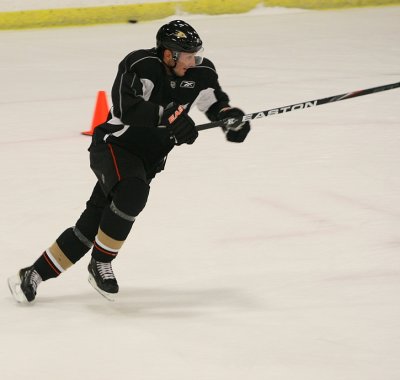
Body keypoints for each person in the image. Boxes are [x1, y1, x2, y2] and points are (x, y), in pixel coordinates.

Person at [8, 19, 250, 303]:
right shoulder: (141, 65)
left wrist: (230, 119)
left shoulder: (201, 72)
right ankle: (101, 262)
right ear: (168, 54)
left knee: (94, 223)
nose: (193, 60)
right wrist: (170, 116)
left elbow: (214, 103)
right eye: (187, 55)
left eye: (195, 54)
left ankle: (32, 274)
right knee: (133, 193)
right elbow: (126, 106)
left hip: (148, 160)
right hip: (115, 146)